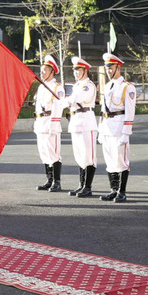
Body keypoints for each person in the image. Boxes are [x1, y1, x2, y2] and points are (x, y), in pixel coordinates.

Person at [98, 52, 136, 202]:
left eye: (110, 68)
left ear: (118, 67)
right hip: (107, 127)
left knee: (121, 160)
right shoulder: (107, 86)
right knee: (110, 160)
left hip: (119, 127)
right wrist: (100, 130)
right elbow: (103, 109)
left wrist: (126, 133)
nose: (108, 71)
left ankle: (122, 191)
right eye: (106, 68)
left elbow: (130, 112)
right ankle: (113, 189)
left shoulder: (127, 87)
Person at [65, 57, 99, 197]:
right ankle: (81, 184)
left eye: (79, 70)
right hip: (76, 121)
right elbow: (70, 100)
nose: (76, 73)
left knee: (89, 156)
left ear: (85, 70)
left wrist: (66, 101)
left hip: (86, 122)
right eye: (75, 71)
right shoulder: (77, 85)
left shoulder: (88, 85)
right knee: (79, 155)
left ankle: (88, 186)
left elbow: (75, 99)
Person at [33, 54, 66, 192]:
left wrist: (54, 124)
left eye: (45, 70)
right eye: (41, 71)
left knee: (54, 153)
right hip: (41, 122)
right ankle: (49, 180)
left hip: (50, 123)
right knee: (44, 153)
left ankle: (57, 181)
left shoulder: (57, 87)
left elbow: (58, 107)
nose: (42, 73)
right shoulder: (42, 86)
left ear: (52, 71)